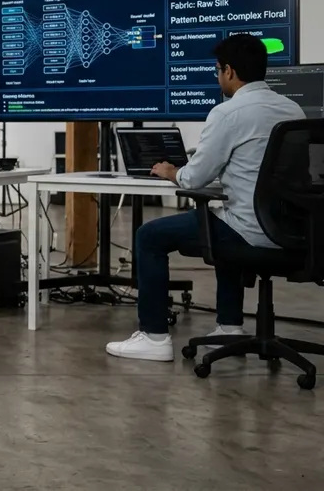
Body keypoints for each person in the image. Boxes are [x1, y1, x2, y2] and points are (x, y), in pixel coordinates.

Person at [106, 34, 306, 361]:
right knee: (222, 219)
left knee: (149, 236)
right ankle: (229, 328)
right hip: (290, 230)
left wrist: (172, 171)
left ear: (228, 71)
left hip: (250, 231)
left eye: (217, 70)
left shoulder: (227, 113)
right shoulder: (293, 110)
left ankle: (154, 337)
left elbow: (194, 178)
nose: (217, 77)